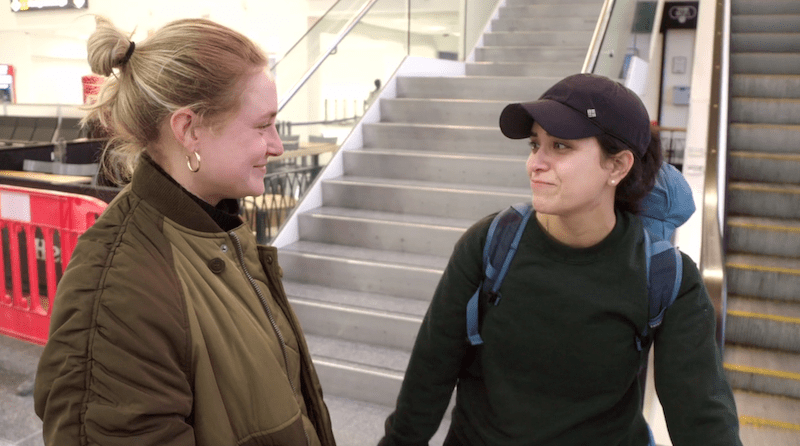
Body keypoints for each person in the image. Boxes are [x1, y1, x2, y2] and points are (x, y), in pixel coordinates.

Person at [379, 73, 742, 445]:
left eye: (561, 146)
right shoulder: (491, 244)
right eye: (536, 144)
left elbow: (703, 418)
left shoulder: (666, 277)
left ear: (617, 166)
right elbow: (430, 373)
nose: (535, 162)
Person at [34, 16, 337, 446]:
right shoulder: (119, 289)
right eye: (261, 125)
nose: (277, 144)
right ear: (189, 130)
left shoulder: (219, 235)